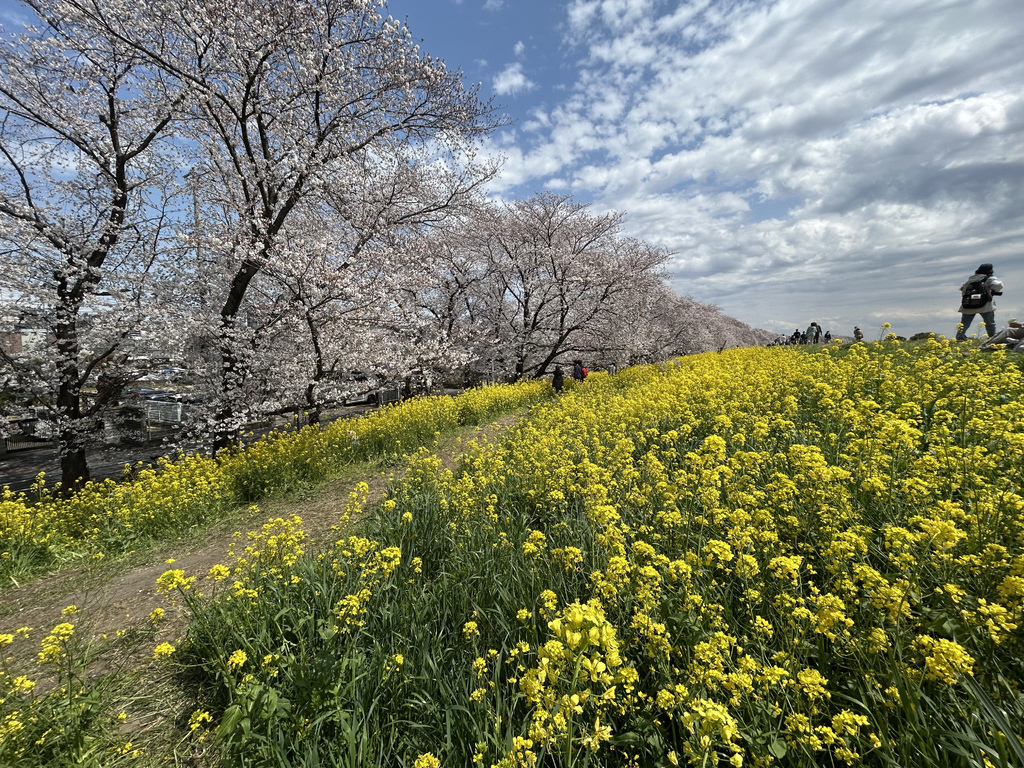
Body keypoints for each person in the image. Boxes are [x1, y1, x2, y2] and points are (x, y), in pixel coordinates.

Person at [956, 263, 1003, 340]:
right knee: (990, 323)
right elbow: (999, 285)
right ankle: (992, 339)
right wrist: (992, 291)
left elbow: (963, 292)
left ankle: (959, 338)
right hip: (985, 305)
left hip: (968, 305)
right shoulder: (989, 278)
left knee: (964, 324)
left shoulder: (970, 280)